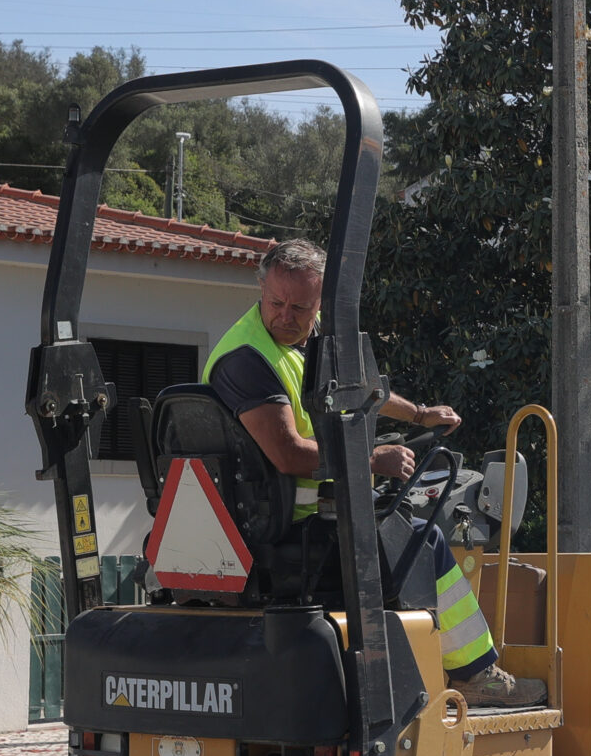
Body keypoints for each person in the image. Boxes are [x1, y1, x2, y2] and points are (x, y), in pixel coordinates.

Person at [205, 238, 540, 709]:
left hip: (293, 522)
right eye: (276, 302)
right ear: (261, 287)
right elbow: (288, 455)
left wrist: (420, 414)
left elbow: (360, 387)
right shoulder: (249, 359)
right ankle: (473, 672)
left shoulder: (310, 338)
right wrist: (370, 463)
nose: (286, 315)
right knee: (423, 538)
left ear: (320, 303)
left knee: (401, 524)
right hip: (287, 534)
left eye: (300, 307)